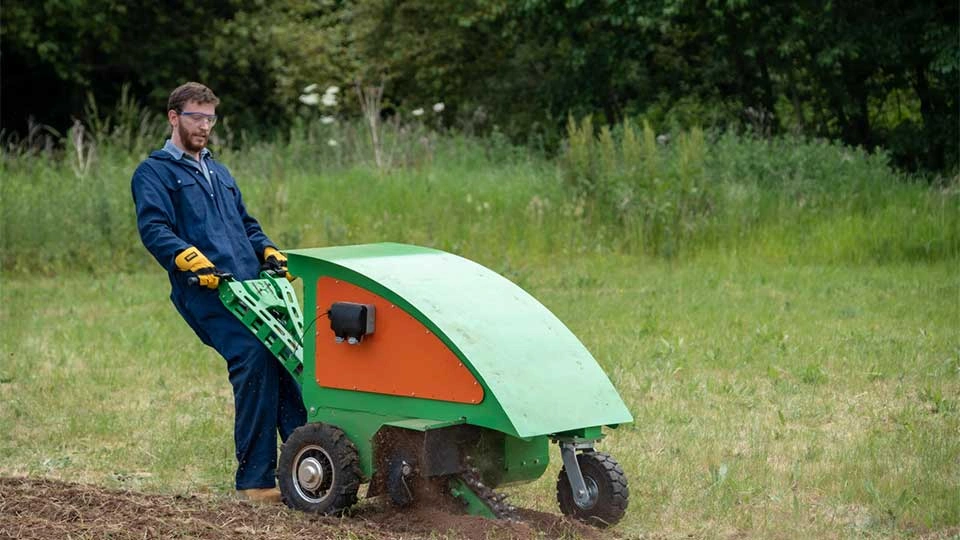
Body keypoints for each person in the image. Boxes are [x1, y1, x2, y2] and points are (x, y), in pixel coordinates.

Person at [131, 82, 306, 503]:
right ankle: (255, 482)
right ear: (173, 117)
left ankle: (310, 464)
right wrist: (184, 256)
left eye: (210, 118)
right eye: (196, 116)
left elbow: (246, 223)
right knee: (253, 358)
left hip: (252, 289)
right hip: (208, 291)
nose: (204, 126)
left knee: (290, 360)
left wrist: (265, 248)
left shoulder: (219, 171)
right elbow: (154, 228)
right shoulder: (154, 173)